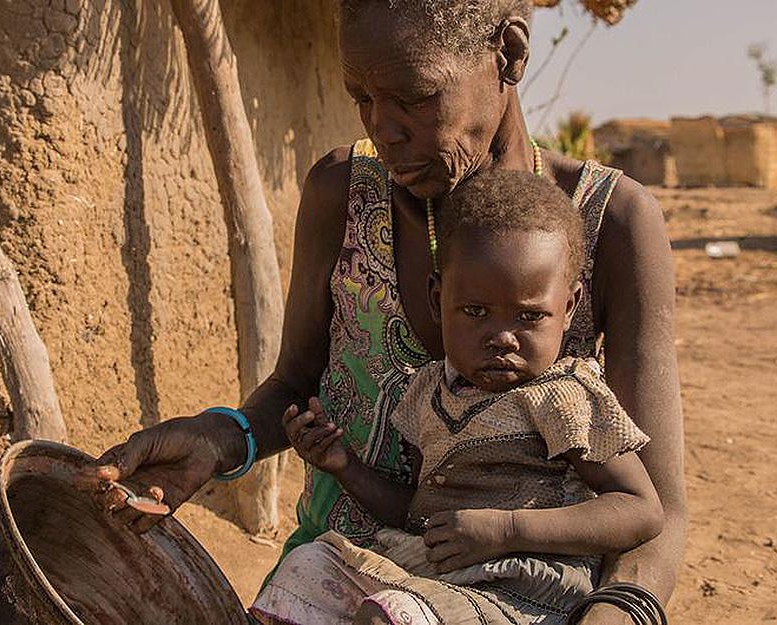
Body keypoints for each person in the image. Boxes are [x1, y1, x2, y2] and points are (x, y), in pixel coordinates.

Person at [76, 1, 685, 623]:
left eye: (416, 98)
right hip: (340, 575)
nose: (385, 129)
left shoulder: (609, 223)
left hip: (516, 600)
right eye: (362, 98)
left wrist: (615, 612)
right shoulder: (343, 192)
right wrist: (219, 437)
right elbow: (294, 386)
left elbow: (655, 508)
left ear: (508, 54)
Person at [251, 169, 664, 624]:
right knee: (306, 570)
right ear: (437, 299)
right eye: (475, 312)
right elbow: (421, 514)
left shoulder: (564, 400)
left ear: (568, 308)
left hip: (523, 594)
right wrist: (343, 465)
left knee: (393, 615)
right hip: (437, 579)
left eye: (529, 316)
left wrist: (507, 529)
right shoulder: (430, 394)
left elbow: (639, 510)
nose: (503, 337)